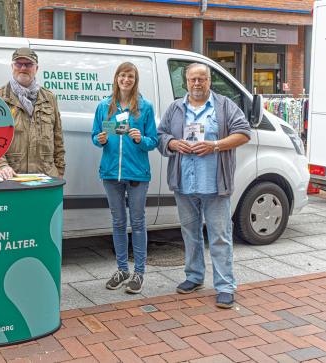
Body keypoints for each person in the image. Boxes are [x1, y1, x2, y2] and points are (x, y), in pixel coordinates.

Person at [157, 63, 251, 308]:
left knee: (220, 236)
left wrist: (215, 145)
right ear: (185, 82)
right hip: (184, 184)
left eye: (202, 79)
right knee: (190, 234)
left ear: (209, 81)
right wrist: (173, 144)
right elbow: (160, 136)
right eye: (192, 79)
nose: (197, 84)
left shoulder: (225, 106)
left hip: (215, 184)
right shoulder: (176, 108)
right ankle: (194, 277)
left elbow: (243, 133)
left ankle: (225, 286)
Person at [91, 62, 158, 294]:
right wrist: (98, 139)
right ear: (116, 78)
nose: (126, 80)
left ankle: (139, 272)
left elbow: (154, 141)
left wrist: (142, 139)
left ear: (135, 79)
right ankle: (122, 269)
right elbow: (94, 135)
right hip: (111, 173)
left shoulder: (145, 107)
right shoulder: (104, 106)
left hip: (137, 173)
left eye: (130, 76)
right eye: (122, 75)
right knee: (118, 222)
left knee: (137, 222)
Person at [0, 47, 65, 179]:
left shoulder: (49, 98)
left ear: (36, 68)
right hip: (12, 177)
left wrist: (59, 172)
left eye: (28, 64)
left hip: (46, 177)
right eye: (19, 64)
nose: (23, 68)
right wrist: (1, 165)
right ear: (12, 66)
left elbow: (58, 138)